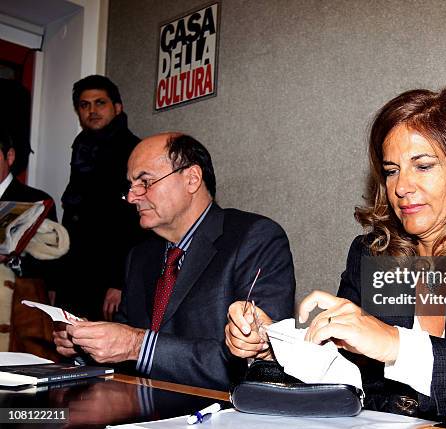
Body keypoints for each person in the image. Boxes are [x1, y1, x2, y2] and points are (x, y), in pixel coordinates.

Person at [225, 87, 446, 420]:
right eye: (391, 171)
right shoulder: (371, 255)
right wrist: (277, 346)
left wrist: (395, 343)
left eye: (423, 165)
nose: (401, 187)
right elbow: (339, 367)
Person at [53, 133, 295, 390]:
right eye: (130, 186)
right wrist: (87, 345)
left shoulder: (255, 238)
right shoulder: (140, 256)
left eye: (145, 182)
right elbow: (126, 348)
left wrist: (137, 345)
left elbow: (259, 365)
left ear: (191, 179)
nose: (133, 197)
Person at [58, 75, 144, 321]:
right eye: (85, 105)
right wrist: (57, 281)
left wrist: (120, 282)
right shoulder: (82, 148)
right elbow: (73, 217)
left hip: (110, 279)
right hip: (75, 271)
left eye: (100, 103)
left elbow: (136, 223)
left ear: (118, 108)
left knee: (104, 355)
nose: (92, 110)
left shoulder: (135, 151)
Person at [0, 127, 58, 283]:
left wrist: (10, 259)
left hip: (16, 297)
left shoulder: (37, 201)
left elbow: (48, 262)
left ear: (9, 156)